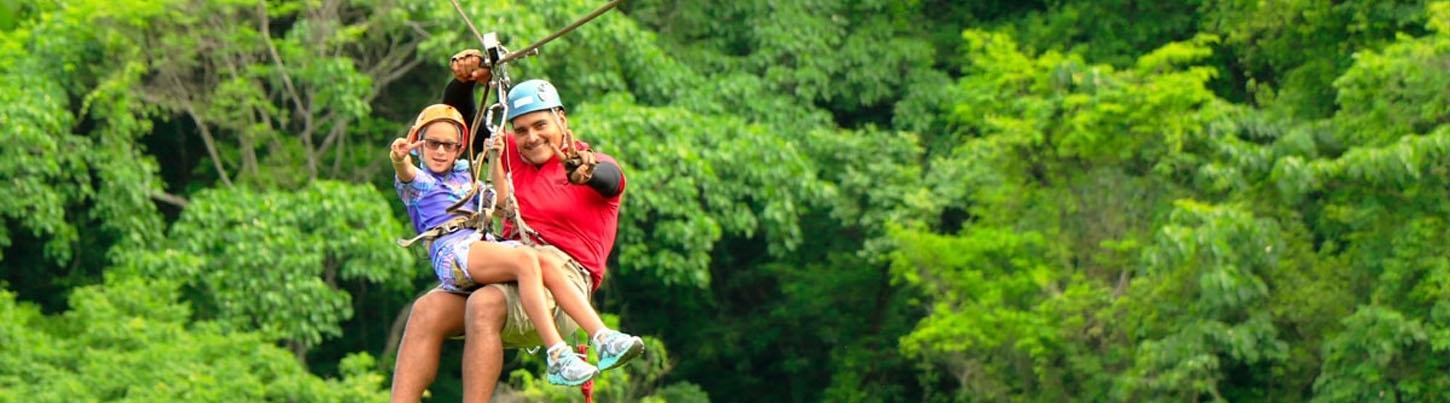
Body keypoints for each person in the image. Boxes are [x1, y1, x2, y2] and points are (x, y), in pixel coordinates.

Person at [388, 50, 643, 402]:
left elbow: (610, 180)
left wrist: (586, 171)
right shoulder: (508, 156)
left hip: (561, 280)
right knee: (427, 310)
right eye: (520, 130)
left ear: (562, 121)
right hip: (507, 263)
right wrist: (464, 81)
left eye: (541, 126)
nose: (532, 138)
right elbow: (464, 123)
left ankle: (591, 340)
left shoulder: (590, 164)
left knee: (485, 303)